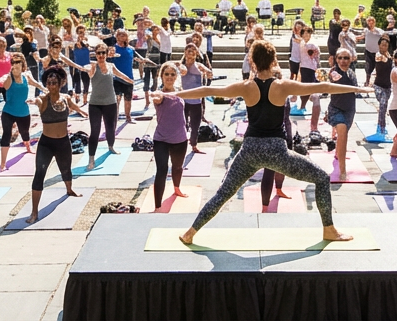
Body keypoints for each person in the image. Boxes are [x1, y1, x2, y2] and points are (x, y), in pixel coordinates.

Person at [170, 40, 371, 245]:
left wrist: (171, 93)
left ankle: (190, 233)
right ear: (274, 60)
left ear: (252, 62)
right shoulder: (282, 86)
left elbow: (206, 91)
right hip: (277, 152)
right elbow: (323, 86)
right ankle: (329, 230)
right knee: (321, 179)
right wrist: (360, 89)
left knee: (223, 194)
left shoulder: (246, 87)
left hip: (249, 151)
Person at [26, 67, 87, 224]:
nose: (51, 85)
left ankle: (69, 189)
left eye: (54, 83)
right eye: (49, 83)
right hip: (46, 143)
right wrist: (34, 101)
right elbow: (38, 101)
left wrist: (81, 111)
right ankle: (34, 212)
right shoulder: (43, 100)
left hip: (63, 142)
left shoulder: (66, 98)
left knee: (66, 169)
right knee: (40, 174)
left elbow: (72, 106)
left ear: (61, 84)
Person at [64, 43, 133, 169]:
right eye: (98, 53)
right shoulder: (93, 67)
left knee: (110, 128)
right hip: (95, 104)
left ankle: (111, 146)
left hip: (110, 103)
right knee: (95, 131)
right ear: (95, 55)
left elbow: (121, 75)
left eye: (103, 53)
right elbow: (83, 67)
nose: (101, 55)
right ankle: (91, 159)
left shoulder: (111, 66)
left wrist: (131, 82)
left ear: (107, 54)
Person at [149, 62, 191, 207]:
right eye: (166, 74)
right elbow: (156, 96)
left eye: (172, 74)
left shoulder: (180, 92)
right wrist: (156, 95)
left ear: (176, 77)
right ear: (161, 76)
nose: (169, 77)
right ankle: (157, 205)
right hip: (161, 139)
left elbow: (185, 70)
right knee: (161, 170)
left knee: (178, 167)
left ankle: (177, 189)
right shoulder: (159, 94)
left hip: (180, 138)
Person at [0, 53, 42, 170]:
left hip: (23, 111)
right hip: (8, 111)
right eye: (13, 64)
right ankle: (2, 163)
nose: (16, 66)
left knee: (24, 132)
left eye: (18, 64)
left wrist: (45, 90)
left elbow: (36, 84)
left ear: (23, 65)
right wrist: (8, 74)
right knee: (6, 134)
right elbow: (3, 85)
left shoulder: (26, 76)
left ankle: (28, 147)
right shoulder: (9, 77)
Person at [327, 48, 359, 179]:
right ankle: (343, 170)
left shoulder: (352, 73)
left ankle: (337, 153)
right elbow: (335, 81)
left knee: (343, 135)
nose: (343, 61)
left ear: (351, 60)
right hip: (336, 109)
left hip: (349, 109)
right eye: (340, 58)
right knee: (343, 133)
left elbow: (355, 90)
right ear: (336, 59)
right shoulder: (334, 72)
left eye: (346, 58)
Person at [178, 44, 213, 153]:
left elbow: (210, 73)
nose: (191, 52)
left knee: (195, 125)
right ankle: (180, 144)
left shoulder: (199, 66)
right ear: (185, 52)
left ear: (196, 53)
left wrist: (208, 73)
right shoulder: (180, 65)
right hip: (183, 99)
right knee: (182, 124)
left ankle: (193, 145)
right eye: (189, 50)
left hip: (196, 100)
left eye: (193, 50)